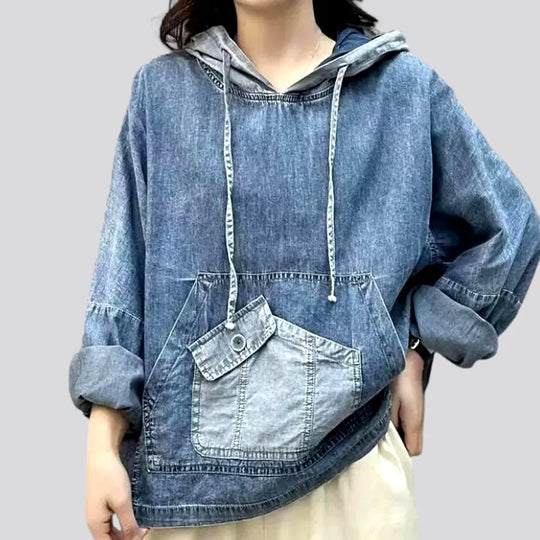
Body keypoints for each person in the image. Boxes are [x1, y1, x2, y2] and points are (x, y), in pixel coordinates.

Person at [68, 1, 540, 539]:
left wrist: (417, 345)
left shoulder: (404, 91)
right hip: (190, 491)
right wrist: (102, 442)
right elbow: (123, 273)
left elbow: (510, 229)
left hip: (354, 475)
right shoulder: (161, 95)